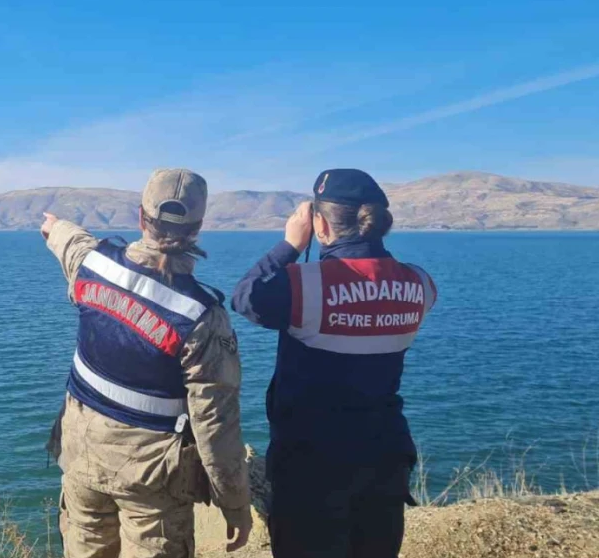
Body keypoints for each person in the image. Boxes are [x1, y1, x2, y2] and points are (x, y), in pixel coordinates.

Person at [41, 168, 253, 558]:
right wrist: (234, 503)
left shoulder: (93, 265)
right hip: (151, 479)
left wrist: (54, 226)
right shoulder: (201, 316)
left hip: (81, 455)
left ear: (141, 217)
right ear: (197, 229)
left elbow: (70, 242)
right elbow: (215, 424)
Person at [232, 169, 437, 558]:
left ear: (319, 223)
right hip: (385, 457)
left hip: (312, 463)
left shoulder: (306, 284)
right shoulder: (420, 284)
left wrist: (290, 245)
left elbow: (246, 297)